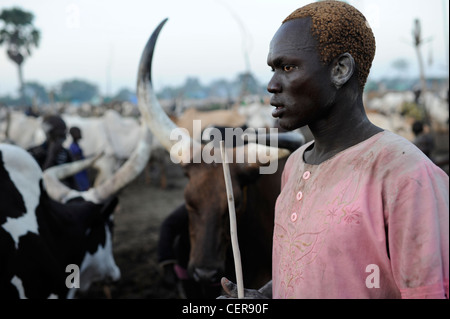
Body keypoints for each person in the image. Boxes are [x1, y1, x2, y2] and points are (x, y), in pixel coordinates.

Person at [219, 1, 449, 299]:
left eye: (287, 67)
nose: (272, 85)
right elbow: (323, 268)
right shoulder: (294, 166)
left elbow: (426, 291)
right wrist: (263, 296)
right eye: (272, 69)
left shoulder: (405, 175)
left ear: (340, 70)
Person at [28, 114, 76, 189]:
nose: (64, 137)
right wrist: (51, 155)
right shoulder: (36, 153)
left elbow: (72, 180)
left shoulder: (66, 153)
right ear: (49, 134)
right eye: (59, 135)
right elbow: (39, 180)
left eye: (64, 134)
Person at [68, 126, 91, 191]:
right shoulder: (73, 147)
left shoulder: (76, 145)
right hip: (79, 174)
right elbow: (77, 160)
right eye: (78, 132)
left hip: (82, 173)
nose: (80, 134)